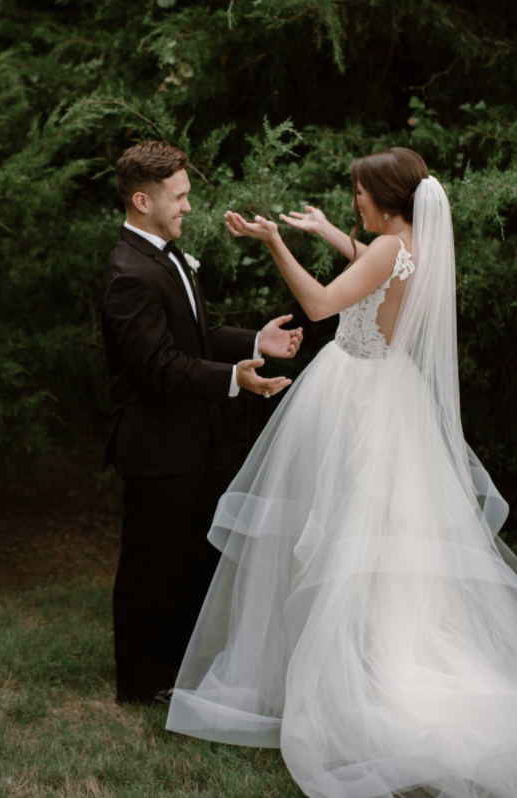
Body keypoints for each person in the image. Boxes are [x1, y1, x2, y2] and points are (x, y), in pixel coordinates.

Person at [166, 148, 517, 798]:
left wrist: (275, 242)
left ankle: (347, 675)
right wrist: (330, 232)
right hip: (392, 396)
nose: (354, 201)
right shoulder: (414, 244)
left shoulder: (387, 247)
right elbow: (374, 274)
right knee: (372, 543)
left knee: (338, 537)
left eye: (359, 193)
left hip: (354, 396)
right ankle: (362, 656)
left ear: (385, 197)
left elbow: (323, 304)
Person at [100, 141, 303, 704]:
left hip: (196, 441)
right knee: (151, 567)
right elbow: (160, 367)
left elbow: (194, 336)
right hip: (157, 448)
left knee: (195, 560)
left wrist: (256, 341)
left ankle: (180, 669)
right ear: (142, 201)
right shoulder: (128, 274)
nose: (188, 206)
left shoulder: (166, 255)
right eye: (179, 196)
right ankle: (141, 684)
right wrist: (235, 378)